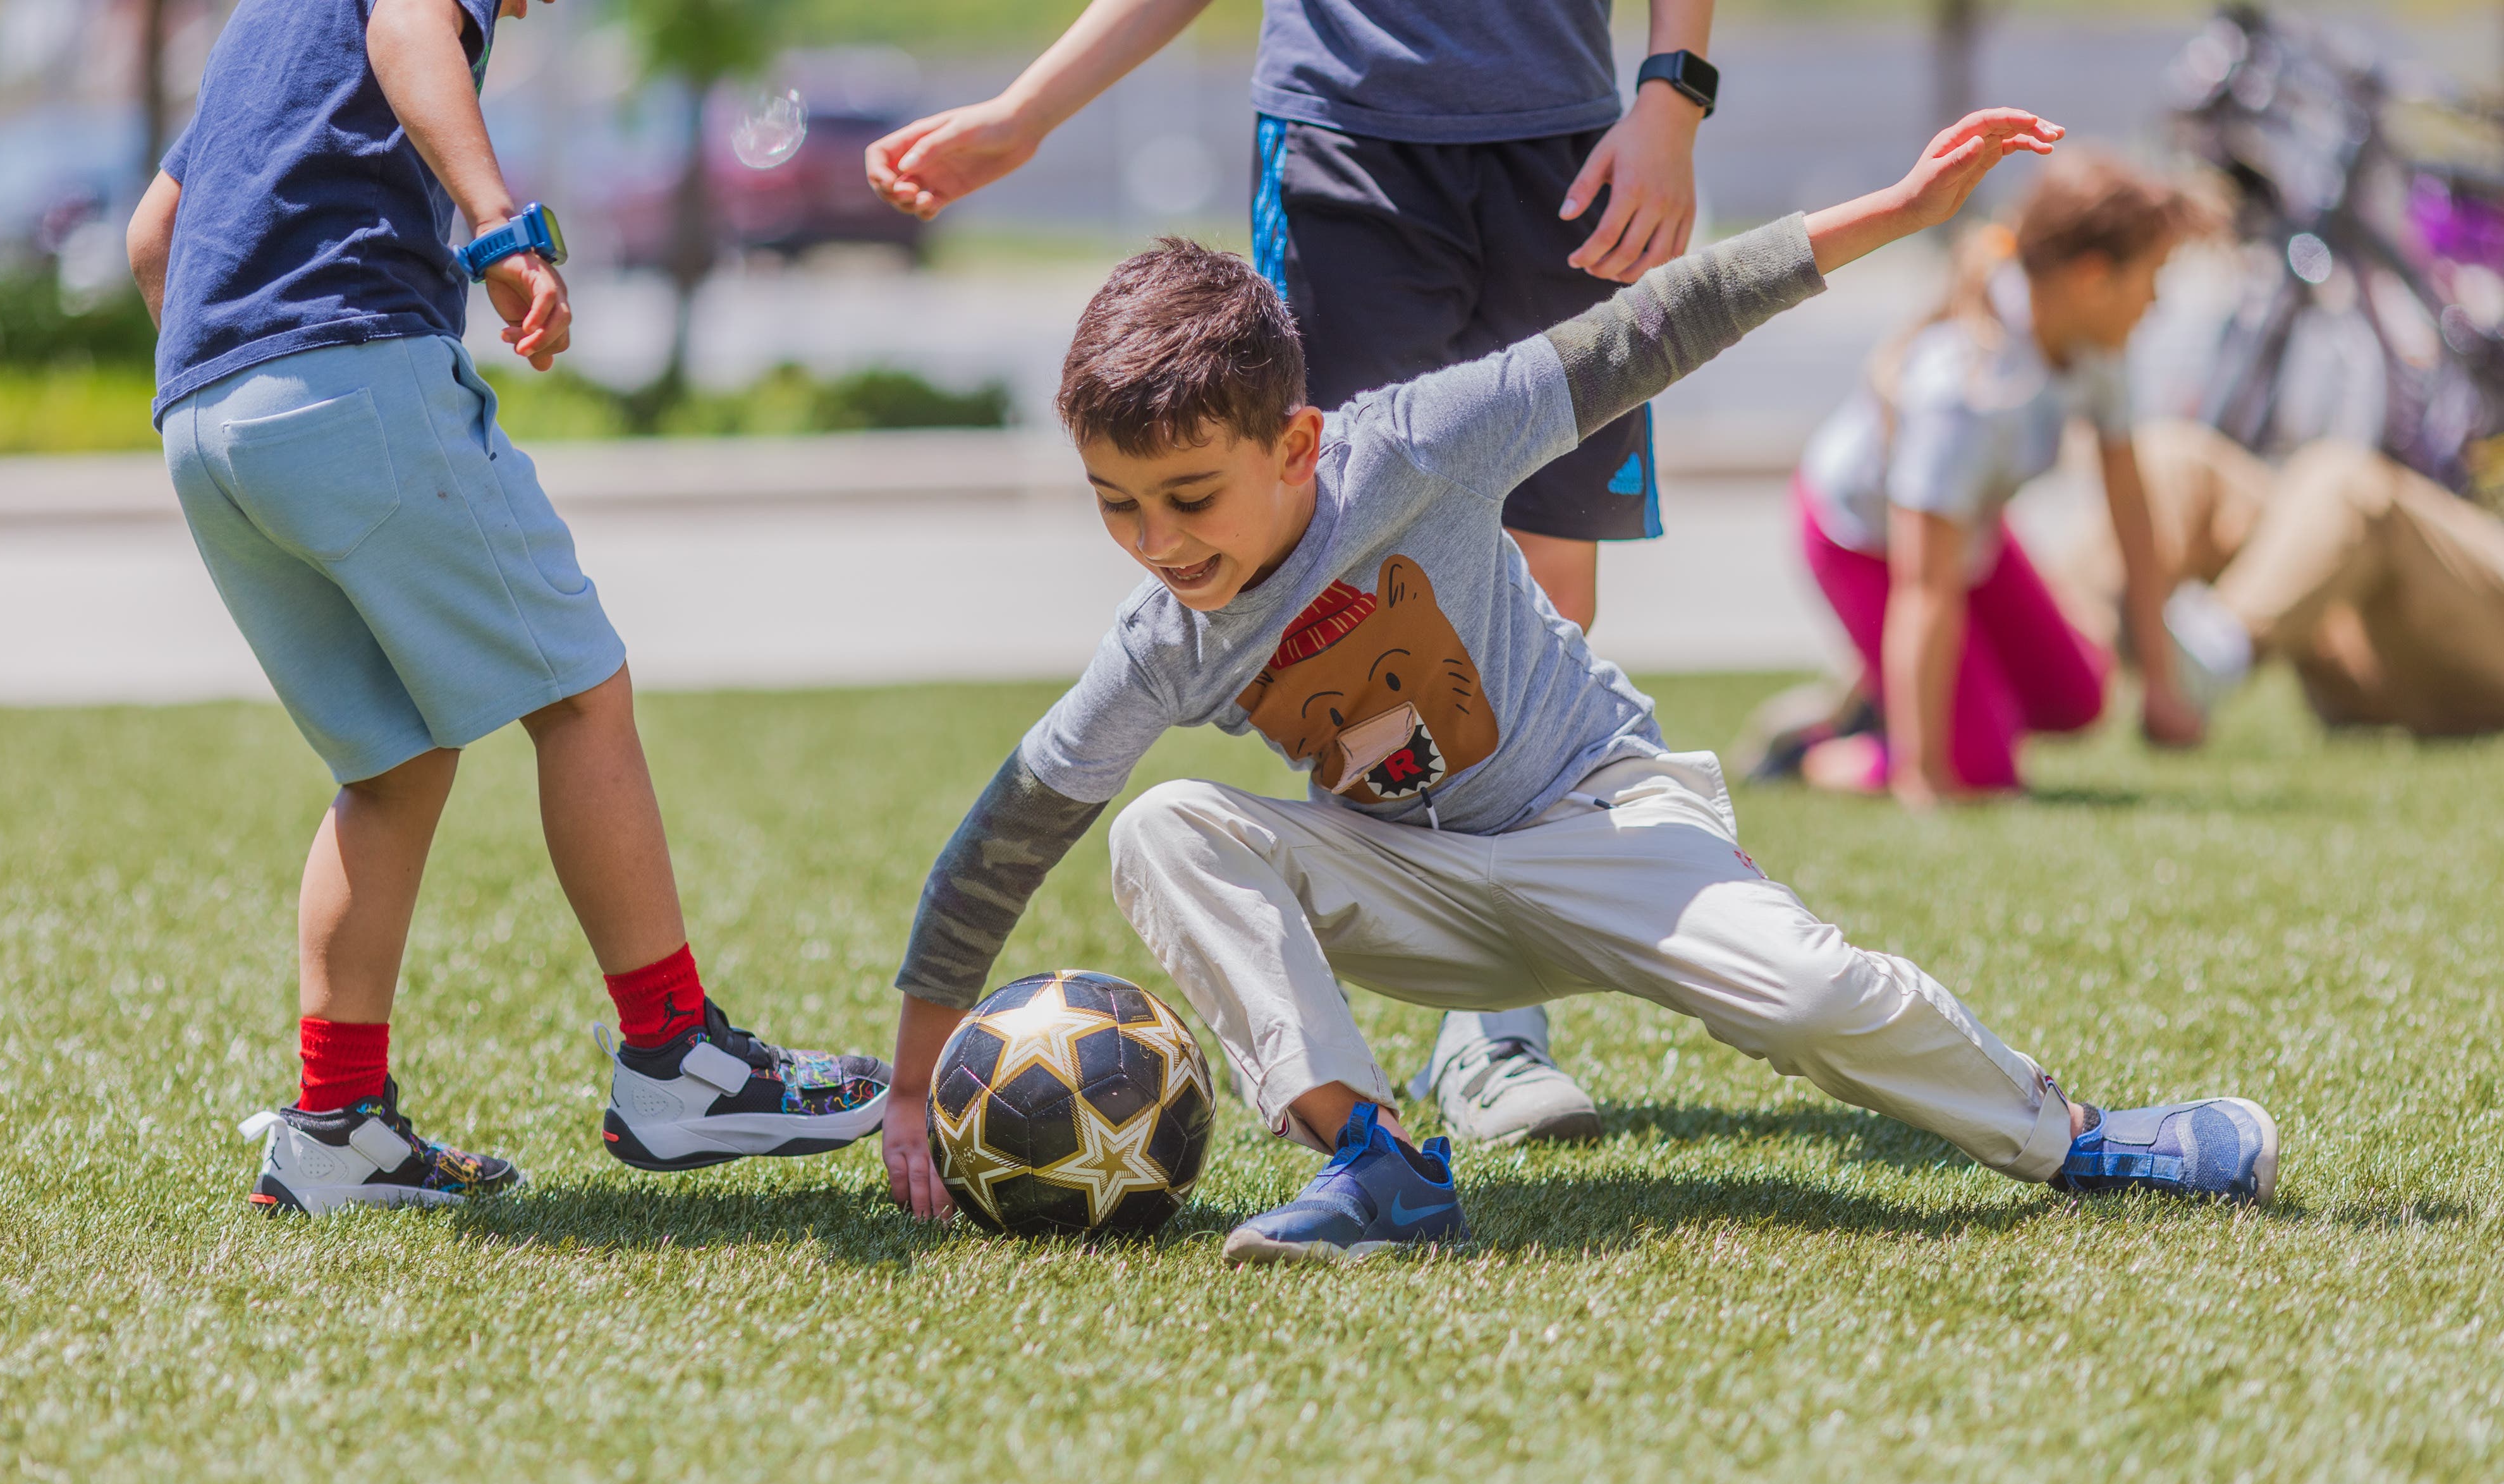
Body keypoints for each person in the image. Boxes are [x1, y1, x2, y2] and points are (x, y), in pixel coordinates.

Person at [873, 111, 2284, 1265]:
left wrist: (1901, 210)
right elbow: (1011, 828)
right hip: (1418, 887)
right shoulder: (1163, 635)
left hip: (1604, 827)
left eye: (1187, 494)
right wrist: (908, 1081)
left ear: (1297, 444)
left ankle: (2081, 1136)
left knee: (1809, 995)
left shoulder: (1413, 447)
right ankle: (1372, 1164)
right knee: (1162, 823)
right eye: (1116, 506)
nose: (1159, 542)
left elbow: (1654, 326)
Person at [866, 0, 1724, 1150]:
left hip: (1570, 138)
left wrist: (1673, 91)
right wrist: (1029, 112)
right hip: (1347, 133)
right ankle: (1437, 1045)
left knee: (1551, 572)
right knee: (1343, 576)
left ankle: (1496, 1021)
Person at [124, 0, 886, 1215]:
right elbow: (414, 30)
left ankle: (336, 1128)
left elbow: (154, 237)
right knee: (581, 697)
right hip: (350, 371)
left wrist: (251, 389)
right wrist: (495, 228)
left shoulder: (261, 23)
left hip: (207, 417)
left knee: (393, 762)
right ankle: (673, 1054)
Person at [1783, 151, 2223, 805]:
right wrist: (1923, 775)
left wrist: (2160, 683)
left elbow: (2129, 506)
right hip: (1862, 542)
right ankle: (1811, 752)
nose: (2156, 303)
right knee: (1981, 774)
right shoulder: (1969, 388)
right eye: (2152, 278)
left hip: (1965, 535)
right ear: (2093, 278)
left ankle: (1904, 702)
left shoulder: (2096, 341)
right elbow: (1923, 587)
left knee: (2077, 700)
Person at [2040, 419, 2504, 738]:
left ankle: (2205, 662)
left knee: (2347, 484)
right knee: (2176, 457)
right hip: (2372, 623)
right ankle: (2053, 657)